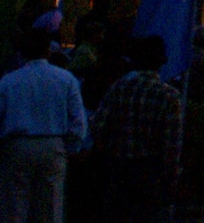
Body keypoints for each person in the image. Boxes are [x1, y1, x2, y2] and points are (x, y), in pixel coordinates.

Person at [91, 35, 183, 223]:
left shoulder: (118, 88)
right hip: (149, 170)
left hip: (118, 166)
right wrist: (171, 176)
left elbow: (98, 126)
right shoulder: (169, 96)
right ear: (162, 62)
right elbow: (171, 144)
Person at [0, 30, 85, 223]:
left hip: (17, 145)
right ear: (48, 50)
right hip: (54, 144)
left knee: (14, 206)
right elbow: (77, 120)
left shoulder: (9, 80)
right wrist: (71, 146)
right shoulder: (66, 79)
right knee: (50, 207)